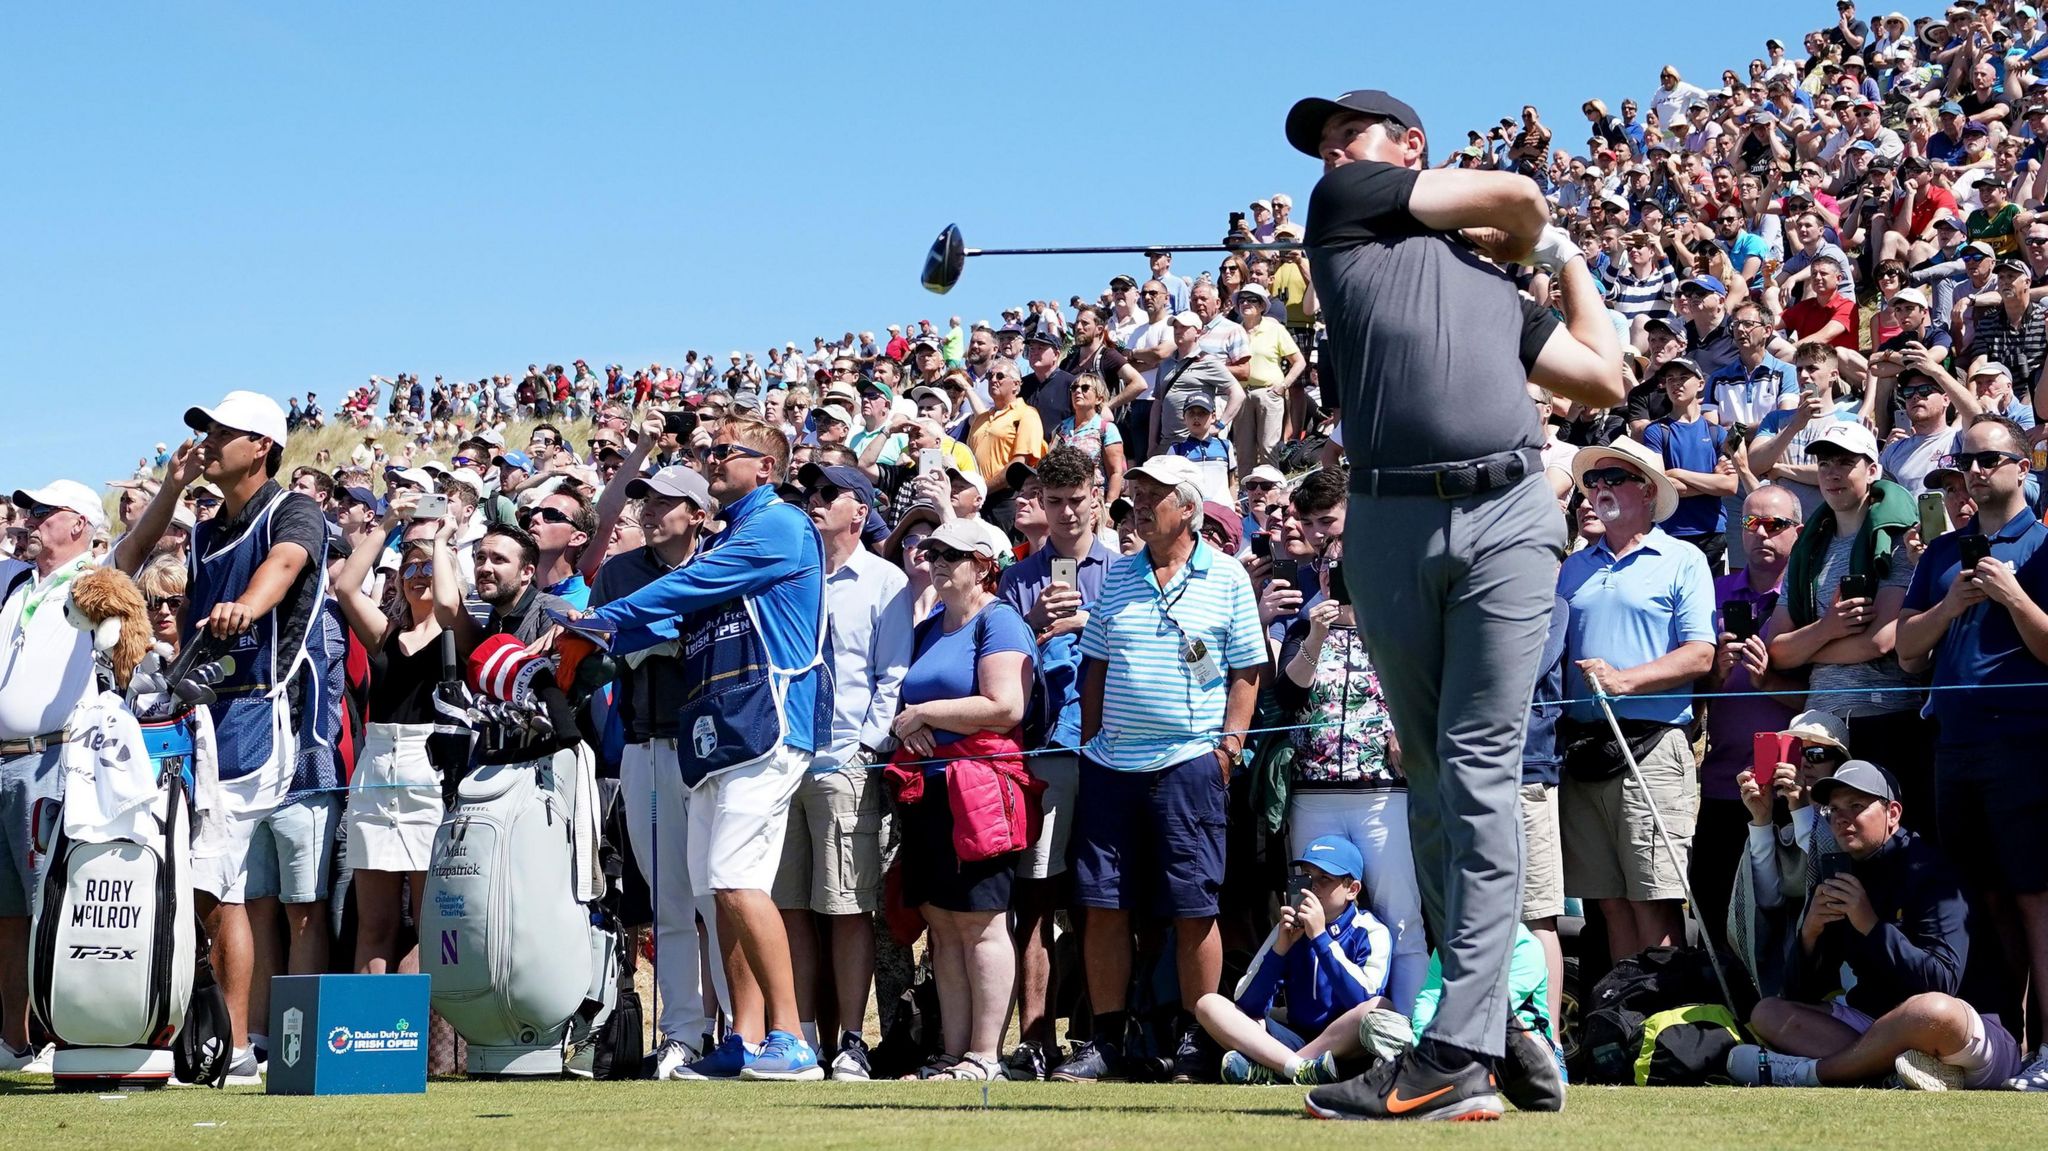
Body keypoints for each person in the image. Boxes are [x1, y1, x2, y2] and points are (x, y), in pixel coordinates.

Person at [1282, 86, 1622, 1122]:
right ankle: (1491, 1021)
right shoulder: (1341, 210)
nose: (1333, 149)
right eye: (1326, 141)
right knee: (1428, 780)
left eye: (1352, 133)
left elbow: (1600, 375)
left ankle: (1456, 1044)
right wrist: (1518, 227)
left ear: (1411, 146)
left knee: (1471, 764)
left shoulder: (1491, 285)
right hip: (1388, 520)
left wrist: (1558, 256)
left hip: (1510, 512)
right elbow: (1513, 195)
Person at [561, 416, 829, 1082]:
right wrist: (586, 642)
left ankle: (791, 1037)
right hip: (718, 730)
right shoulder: (733, 534)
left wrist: (605, 617)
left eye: (725, 452)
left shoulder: (780, 524)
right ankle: (742, 1036)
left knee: (736, 880)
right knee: (718, 887)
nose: (711, 458)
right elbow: (676, 615)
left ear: (765, 468)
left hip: (767, 723)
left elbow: (681, 591)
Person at [1050, 454, 1266, 1085]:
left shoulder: (1226, 577)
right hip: (1113, 766)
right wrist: (1092, 741)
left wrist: (1227, 749)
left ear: (1189, 508)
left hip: (1187, 763)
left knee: (1193, 907)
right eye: (1136, 493)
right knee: (1103, 904)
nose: (1140, 505)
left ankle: (1202, 1040)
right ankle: (1108, 1040)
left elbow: (1246, 671)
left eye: (1155, 495)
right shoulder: (1118, 576)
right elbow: (1095, 664)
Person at [176, 391, 329, 1085]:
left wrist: (248, 604)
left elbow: (287, 564)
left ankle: (197, 1034)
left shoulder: (290, 508)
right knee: (227, 885)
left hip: (256, 713)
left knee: (205, 880)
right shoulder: (207, 525)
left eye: (222, 432)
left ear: (261, 444)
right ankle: (230, 1047)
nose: (209, 441)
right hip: (203, 715)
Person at [1897, 414, 2048, 1086]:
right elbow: (1905, 650)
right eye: (1968, 460)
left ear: (2022, 467)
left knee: (2036, 899)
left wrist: (2014, 595)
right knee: (1982, 900)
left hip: (2023, 743)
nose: (1976, 471)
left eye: (1989, 459)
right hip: (1952, 745)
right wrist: (1949, 606)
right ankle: (2003, 1043)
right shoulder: (1941, 554)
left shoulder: (2042, 545)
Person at [1728, 761, 2024, 1092]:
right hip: (1874, 1025)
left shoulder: (1933, 873)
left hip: (1968, 1031)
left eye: (1856, 806)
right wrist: (1810, 933)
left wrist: (1869, 924)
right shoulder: (1843, 871)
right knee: (1768, 1012)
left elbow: (1942, 982)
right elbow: (1800, 995)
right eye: (1834, 809)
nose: (1841, 818)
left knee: (1930, 1010)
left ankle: (1809, 1074)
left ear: (1893, 813)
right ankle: (1892, 1072)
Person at [590, 464, 728, 1078]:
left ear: (697, 515)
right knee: (672, 904)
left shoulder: (723, 561)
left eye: (665, 503)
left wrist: (657, 633)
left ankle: (738, 1029)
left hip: (715, 750)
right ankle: (682, 1033)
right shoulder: (619, 571)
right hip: (646, 747)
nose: (647, 512)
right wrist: (647, 637)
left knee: (720, 895)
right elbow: (600, 639)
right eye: (644, 501)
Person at [1557, 437, 1716, 963]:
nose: (1598, 489)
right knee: (1610, 904)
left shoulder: (1683, 559)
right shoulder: (1572, 566)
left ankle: (1662, 1028)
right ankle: (1626, 1027)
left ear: (1648, 491)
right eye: (1592, 481)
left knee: (1654, 901)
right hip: (1582, 750)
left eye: (1613, 479)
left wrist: (1625, 681)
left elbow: (1699, 655)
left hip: (1650, 749)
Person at [776, 463, 911, 1080]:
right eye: (812, 492)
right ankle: (801, 1036)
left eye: (830, 493)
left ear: (860, 510)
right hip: (784, 759)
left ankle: (852, 1040)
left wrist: (866, 746)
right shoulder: (791, 574)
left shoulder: (886, 581)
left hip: (844, 761)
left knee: (848, 905)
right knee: (790, 906)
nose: (816, 501)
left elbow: (891, 675)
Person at [886, 518, 1035, 1081]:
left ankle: (985, 1056)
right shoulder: (929, 627)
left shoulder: (1001, 623)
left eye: (953, 553)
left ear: (986, 564)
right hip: (929, 790)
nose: (939, 561)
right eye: (934, 552)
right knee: (943, 924)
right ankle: (952, 1053)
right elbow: (907, 704)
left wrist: (924, 715)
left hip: (982, 794)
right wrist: (910, 727)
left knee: (982, 923)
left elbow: (1005, 705)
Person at [995, 446, 1117, 1080]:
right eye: (1055, 502)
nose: (1067, 513)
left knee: (1101, 902)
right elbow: (1001, 674)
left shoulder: (1125, 568)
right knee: (1036, 901)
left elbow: (1143, 656)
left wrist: (1093, 624)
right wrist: (1032, 627)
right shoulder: (1019, 579)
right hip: (1042, 751)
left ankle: (1101, 1037)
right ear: (1040, 504)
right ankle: (1036, 1038)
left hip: (1109, 753)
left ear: (1097, 496)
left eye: (1077, 500)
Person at [1274, 524, 1426, 1016]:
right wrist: (1316, 636)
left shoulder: (1398, 628)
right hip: (1313, 794)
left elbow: (1422, 695)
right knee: (1310, 912)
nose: (1336, 577)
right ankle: (1320, 1032)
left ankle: (1409, 1037)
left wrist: (1407, 732)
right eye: (1328, 566)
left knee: (1401, 916)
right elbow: (1288, 698)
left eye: (1348, 569)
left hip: (1382, 794)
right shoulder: (1303, 629)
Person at [1764, 421, 1933, 833]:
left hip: (1886, 719)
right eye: (1824, 463)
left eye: (1845, 462)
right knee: (1821, 850)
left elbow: (1881, 641)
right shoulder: (1810, 548)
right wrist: (1828, 628)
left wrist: (1807, 643)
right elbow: (1776, 649)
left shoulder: (1897, 540)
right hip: (1820, 722)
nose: (1833, 473)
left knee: (1891, 847)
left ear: (1872, 470)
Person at [1694, 484, 1805, 945]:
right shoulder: (1714, 592)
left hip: (1793, 786)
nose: (1761, 533)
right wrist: (1716, 673)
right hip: (1724, 784)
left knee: (1788, 923)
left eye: (1775, 524)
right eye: (1751, 523)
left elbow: (1818, 698)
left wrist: (1768, 682)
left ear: (1797, 531)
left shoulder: (1808, 599)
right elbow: (1694, 700)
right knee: (1714, 914)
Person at [1192, 836, 1390, 1086]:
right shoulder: (1286, 930)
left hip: (1346, 1045)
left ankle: (1274, 1068)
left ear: (1352, 889)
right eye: (1305, 877)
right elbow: (1247, 1003)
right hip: (1293, 1038)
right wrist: (1279, 950)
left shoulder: (1370, 930)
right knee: (1208, 1003)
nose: (1311, 888)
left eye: (1324, 880)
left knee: (1379, 1008)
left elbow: (1362, 998)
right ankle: (1299, 1068)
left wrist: (1320, 938)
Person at [1640, 357, 1737, 571]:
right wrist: (1711, 482)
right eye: (1670, 379)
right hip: (1669, 533)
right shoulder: (1656, 431)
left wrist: (1677, 473)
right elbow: (1661, 487)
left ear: (1701, 384)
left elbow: (1730, 486)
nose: (1676, 384)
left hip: (1712, 533)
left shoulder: (1717, 433)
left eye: (1684, 377)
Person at [1233, 284, 1304, 472]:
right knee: (1243, 450)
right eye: (1242, 300)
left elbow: (1299, 361)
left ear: (1262, 305)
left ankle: (1270, 494)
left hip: (1268, 393)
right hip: (1241, 395)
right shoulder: (1234, 331)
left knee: (1268, 449)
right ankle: (1246, 496)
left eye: (1252, 299)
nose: (1246, 303)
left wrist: (1283, 385)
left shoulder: (1275, 329)